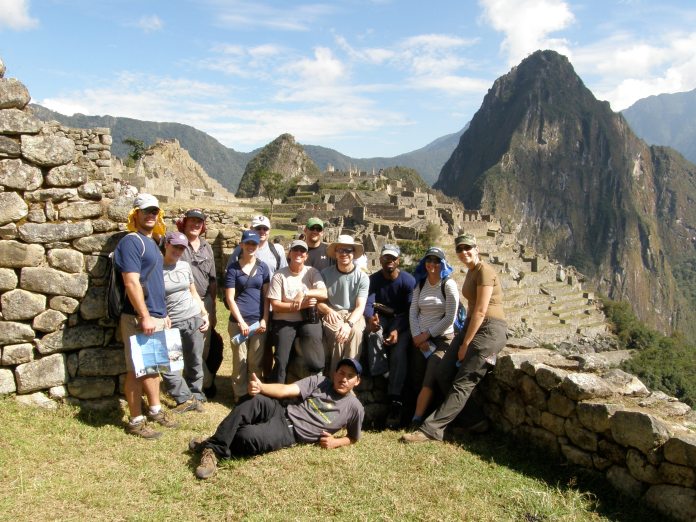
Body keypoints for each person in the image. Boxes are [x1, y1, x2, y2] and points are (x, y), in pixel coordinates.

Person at [401, 234, 507, 443]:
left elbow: (481, 310)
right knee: (443, 372)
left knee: (463, 381)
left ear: (477, 248)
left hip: (489, 329)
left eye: (468, 247)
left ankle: (431, 430)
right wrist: (464, 337)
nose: (464, 252)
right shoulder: (471, 272)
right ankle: (476, 421)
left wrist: (465, 343)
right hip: (471, 326)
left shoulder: (485, 271)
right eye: (460, 249)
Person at [191, 358, 365, 480]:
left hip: (290, 432)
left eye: (350, 376)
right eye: (341, 373)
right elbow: (285, 390)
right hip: (281, 411)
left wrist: (336, 442)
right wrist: (261, 387)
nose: (344, 378)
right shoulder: (320, 381)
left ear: (357, 381)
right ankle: (214, 449)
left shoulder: (355, 407)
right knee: (254, 400)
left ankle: (213, 442)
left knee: (246, 436)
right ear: (335, 373)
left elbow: (354, 437)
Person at [113, 193, 178, 439]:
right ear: (136, 214)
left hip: (156, 315)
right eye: (146, 211)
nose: (151, 215)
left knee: (154, 367)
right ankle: (136, 420)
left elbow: (154, 280)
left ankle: (155, 409)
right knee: (137, 370)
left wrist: (163, 313)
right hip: (140, 317)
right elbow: (130, 282)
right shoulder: (132, 242)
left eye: (155, 212)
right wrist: (144, 315)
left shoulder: (153, 241)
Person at [364, 244, 416, 429]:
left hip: (401, 320)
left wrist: (397, 330)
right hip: (382, 317)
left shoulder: (408, 281)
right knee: (372, 335)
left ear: (398, 261)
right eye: (386, 259)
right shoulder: (374, 280)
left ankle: (395, 398)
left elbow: (410, 311)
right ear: (380, 260)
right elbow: (369, 303)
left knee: (400, 348)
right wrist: (371, 319)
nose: (389, 262)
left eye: (393, 259)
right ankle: (383, 375)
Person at [407, 246, 459, 428]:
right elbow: (413, 311)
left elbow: (450, 317)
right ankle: (415, 414)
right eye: (429, 260)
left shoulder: (449, 285)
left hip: (442, 339)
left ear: (443, 263)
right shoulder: (420, 284)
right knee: (416, 377)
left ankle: (417, 420)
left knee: (430, 377)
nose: (432, 264)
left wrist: (426, 335)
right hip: (420, 339)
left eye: (436, 261)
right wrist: (416, 336)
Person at [160, 231, 210, 413]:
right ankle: (183, 397)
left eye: (182, 248)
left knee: (195, 360)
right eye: (175, 246)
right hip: (172, 324)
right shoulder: (156, 268)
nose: (178, 251)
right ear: (167, 245)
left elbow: (193, 292)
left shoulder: (184, 266)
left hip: (193, 318)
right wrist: (161, 314)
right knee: (171, 365)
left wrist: (204, 313)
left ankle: (197, 395)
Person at [267, 239, 327, 383]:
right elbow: (275, 305)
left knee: (316, 360)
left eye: (302, 251)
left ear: (306, 256)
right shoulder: (279, 275)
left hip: (306, 320)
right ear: (290, 253)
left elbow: (323, 293)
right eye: (295, 250)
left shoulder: (312, 272)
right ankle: (276, 396)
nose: (298, 253)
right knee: (281, 360)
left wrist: (304, 294)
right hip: (284, 321)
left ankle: (317, 383)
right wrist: (301, 306)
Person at [176, 209, 219, 397]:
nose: (195, 225)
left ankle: (197, 382)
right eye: (192, 221)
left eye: (199, 222)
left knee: (204, 344)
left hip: (205, 301)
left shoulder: (206, 247)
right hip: (183, 301)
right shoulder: (177, 244)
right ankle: (205, 383)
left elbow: (213, 280)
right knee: (187, 345)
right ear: (184, 223)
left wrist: (213, 309)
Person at [225, 230, 270, 403]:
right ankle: (239, 393)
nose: (251, 247)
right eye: (248, 243)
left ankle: (253, 392)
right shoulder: (233, 269)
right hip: (239, 323)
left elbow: (266, 296)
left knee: (255, 361)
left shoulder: (263, 267)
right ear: (242, 245)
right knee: (240, 360)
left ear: (258, 246)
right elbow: (230, 298)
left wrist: (265, 318)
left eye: (254, 244)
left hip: (258, 321)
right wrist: (241, 321)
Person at [318, 235, 369, 374]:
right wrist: (328, 311)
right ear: (335, 253)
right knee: (338, 335)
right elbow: (319, 302)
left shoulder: (362, 277)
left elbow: (360, 306)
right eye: (340, 250)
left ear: (353, 254)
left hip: (354, 313)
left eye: (348, 250)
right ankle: (335, 378)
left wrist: (349, 324)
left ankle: (350, 378)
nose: (344, 254)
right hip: (333, 312)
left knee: (356, 332)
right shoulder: (325, 274)